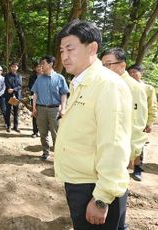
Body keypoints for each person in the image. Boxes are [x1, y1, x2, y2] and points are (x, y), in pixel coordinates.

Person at [55, 19, 132, 229]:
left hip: (94, 188)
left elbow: (114, 145)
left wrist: (101, 198)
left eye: (70, 48)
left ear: (93, 48)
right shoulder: (81, 82)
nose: (64, 55)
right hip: (80, 182)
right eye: (62, 50)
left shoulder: (108, 85)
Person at [101, 48, 148, 184]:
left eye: (109, 64)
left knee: (115, 187)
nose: (105, 68)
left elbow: (138, 123)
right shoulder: (106, 84)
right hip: (104, 144)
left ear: (122, 65)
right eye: (102, 65)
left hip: (120, 148)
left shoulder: (134, 88)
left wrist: (130, 153)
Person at [31, 55, 68, 160]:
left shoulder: (60, 78)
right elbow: (35, 94)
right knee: (43, 133)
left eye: (43, 63)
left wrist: (63, 108)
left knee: (55, 133)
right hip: (40, 109)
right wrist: (34, 108)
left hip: (54, 110)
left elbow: (64, 94)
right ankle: (45, 152)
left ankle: (58, 156)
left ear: (50, 64)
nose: (41, 65)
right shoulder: (39, 78)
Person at [128, 64, 158, 181]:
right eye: (129, 72)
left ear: (141, 73)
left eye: (134, 72)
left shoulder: (148, 88)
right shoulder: (124, 85)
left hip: (140, 122)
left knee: (138, 145)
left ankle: (138, 169)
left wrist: (150, 122)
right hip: (125, 121)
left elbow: (153, 106)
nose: (132, 74)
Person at [4, 62, 22, 133]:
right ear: (10, 67)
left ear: (17, 68)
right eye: (12, 66)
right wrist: (9, 89)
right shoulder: (7, 75)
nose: (14, 68)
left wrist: (13, 90)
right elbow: (7, 83)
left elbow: (20, 86)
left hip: (16, 96)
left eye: (15, 66)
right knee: (8, 111)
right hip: (8, 96)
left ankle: (15, 126)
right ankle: (8, 126)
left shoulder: (19, 76)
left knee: (16, 112)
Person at [28, 62, 42, 138]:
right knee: (35, 114)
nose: (39, 68)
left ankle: (41, 131)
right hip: (34, 98)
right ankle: (35, 131)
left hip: (43, 99)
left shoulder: (45, 76)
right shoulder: (32, 77)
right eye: (37, 67)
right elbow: (30, 87)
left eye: (40, 66)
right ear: (35, 68)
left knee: (42, 115)